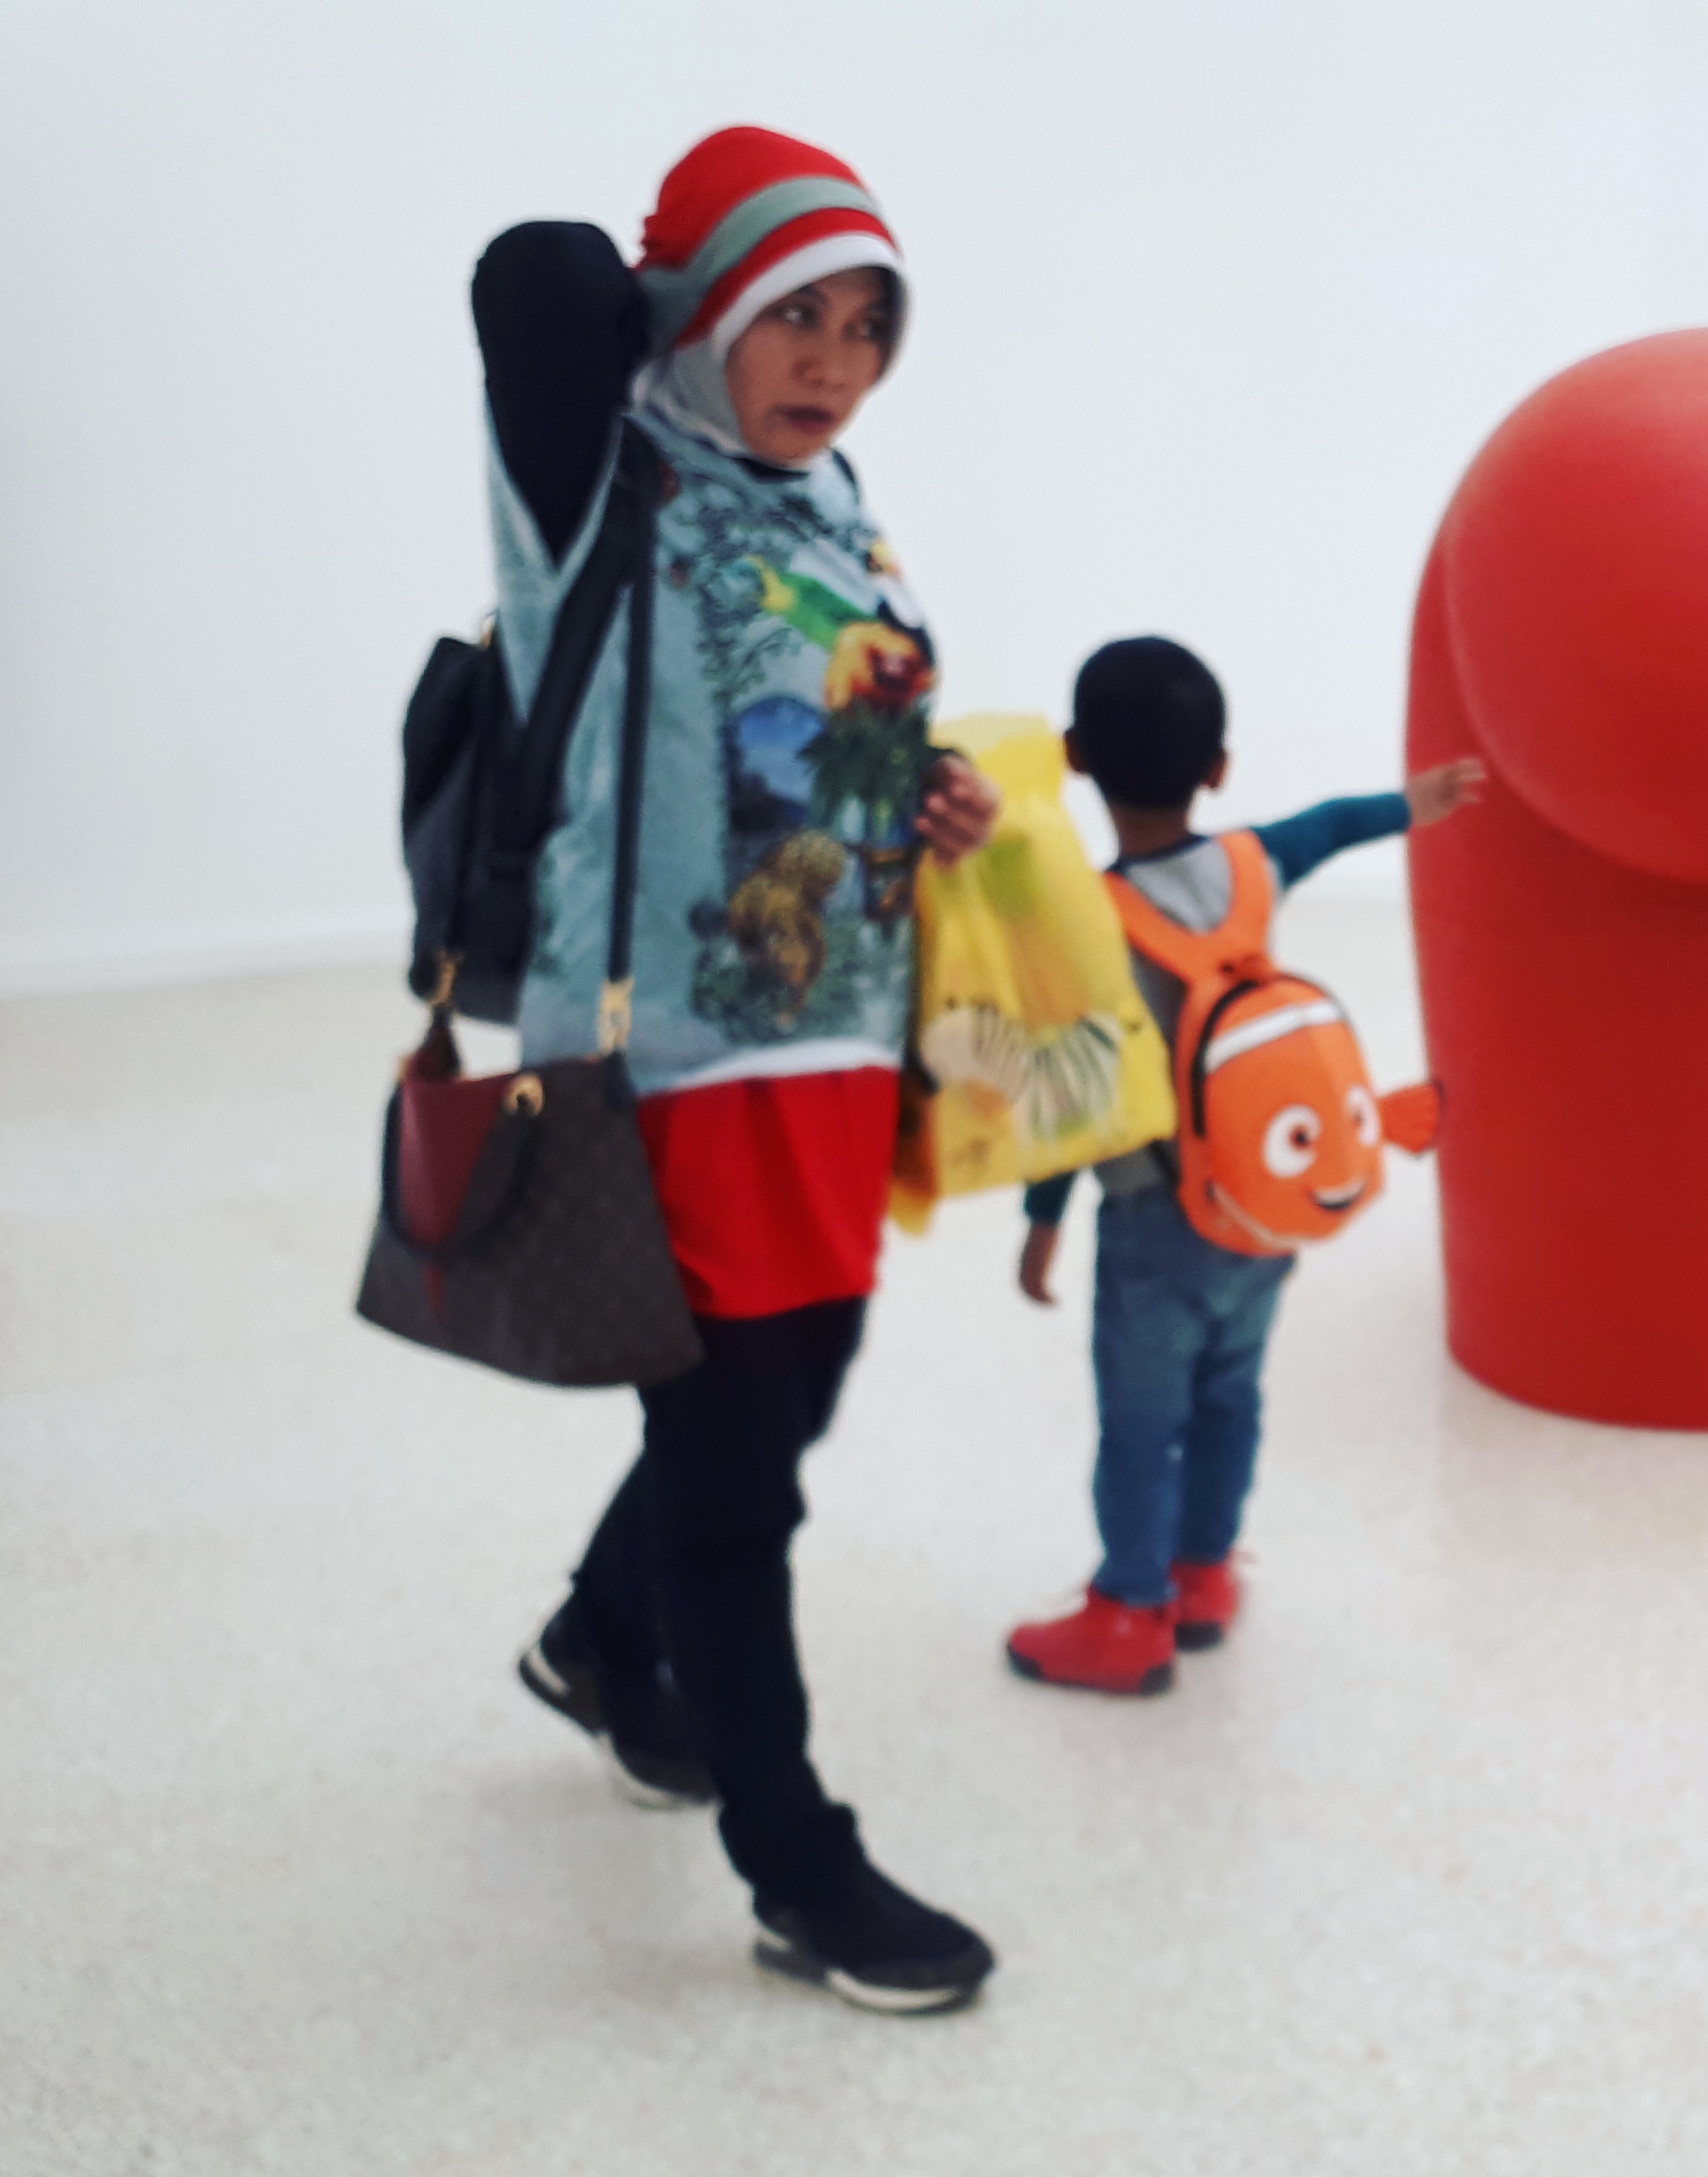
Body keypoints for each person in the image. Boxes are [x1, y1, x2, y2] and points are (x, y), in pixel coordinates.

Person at [480, 126, 1003, 2015]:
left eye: (867, 326)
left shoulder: (832, 498)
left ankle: (598, 1638)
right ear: (697, 313)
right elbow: (538, 278)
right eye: (790, 313)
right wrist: (668, 282)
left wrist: (927, 789)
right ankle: (800, 1865)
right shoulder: (599, 478)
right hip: (679, 1058)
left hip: (839, 1036)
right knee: (736, 1476)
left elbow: (819, 723)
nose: (830, 363)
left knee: (779, 1409)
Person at [1005, 637, 1483, 1694]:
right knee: (1230, 1394)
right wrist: (1415, 804)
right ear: (1218, 768)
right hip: (1263, 1204)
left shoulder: (1081, 918)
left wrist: (1041, 1222)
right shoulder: (1251, 865)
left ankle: (1130, 1614)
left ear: (1076, 756)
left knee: (1141, 1426)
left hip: (1151, 1219)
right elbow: (1330, 824)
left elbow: (1070, 1098)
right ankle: (1204, 1574)